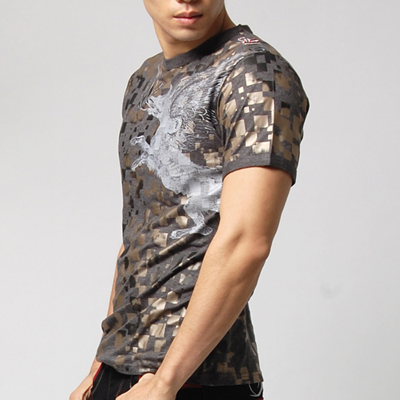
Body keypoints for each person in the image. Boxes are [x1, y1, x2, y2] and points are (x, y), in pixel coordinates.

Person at [70, 1, 309, 399]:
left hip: (196, 378)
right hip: (123, 372)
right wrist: (101, 363)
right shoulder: (144, 78)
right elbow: (142, 230)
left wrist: (167, 382)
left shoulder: (254, 73)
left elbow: (246, 242)